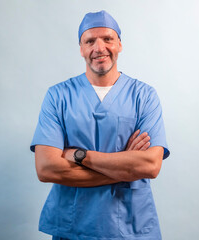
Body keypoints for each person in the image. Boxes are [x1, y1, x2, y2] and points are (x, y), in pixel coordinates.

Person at [30, 10, 170, 240]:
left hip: (131, 226)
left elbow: (150, 166)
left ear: (120, 45)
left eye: (107, 39)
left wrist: (80, 155)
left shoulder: (144, 96)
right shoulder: (58, 96)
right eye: (90, 41)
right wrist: (125, 167)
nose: (99, 48)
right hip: (74, 227)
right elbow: (46, 168)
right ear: (81, 48)